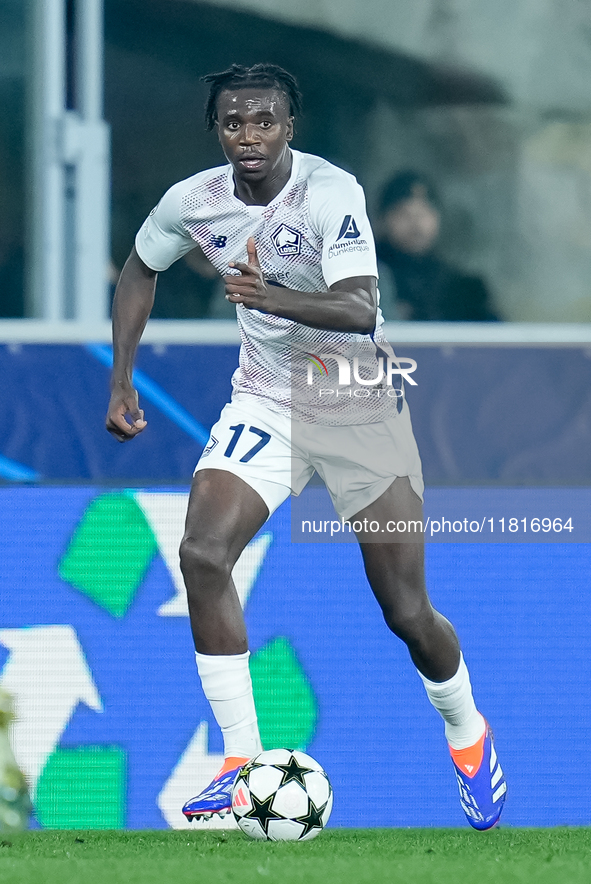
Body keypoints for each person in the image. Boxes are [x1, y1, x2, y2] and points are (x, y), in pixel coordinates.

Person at [105, 64, 506, 830]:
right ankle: (236, 763)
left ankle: (466, 731)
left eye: (263, 122)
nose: (247, 137)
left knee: (404, 608)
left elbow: (359, 307)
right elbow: (137, 267)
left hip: (356, 404)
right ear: (216, 129)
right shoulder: (193, 202)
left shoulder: (331, 193)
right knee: (201, 553)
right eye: (232, 123)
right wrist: (121, 378)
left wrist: (269, 297)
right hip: (265, 401)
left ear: (291, 127)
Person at [376, 171, 499, 322]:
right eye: (403, 214)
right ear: (383, 220)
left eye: (423, 214)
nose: (416, 225)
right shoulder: (369, 279)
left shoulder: (463, 289)